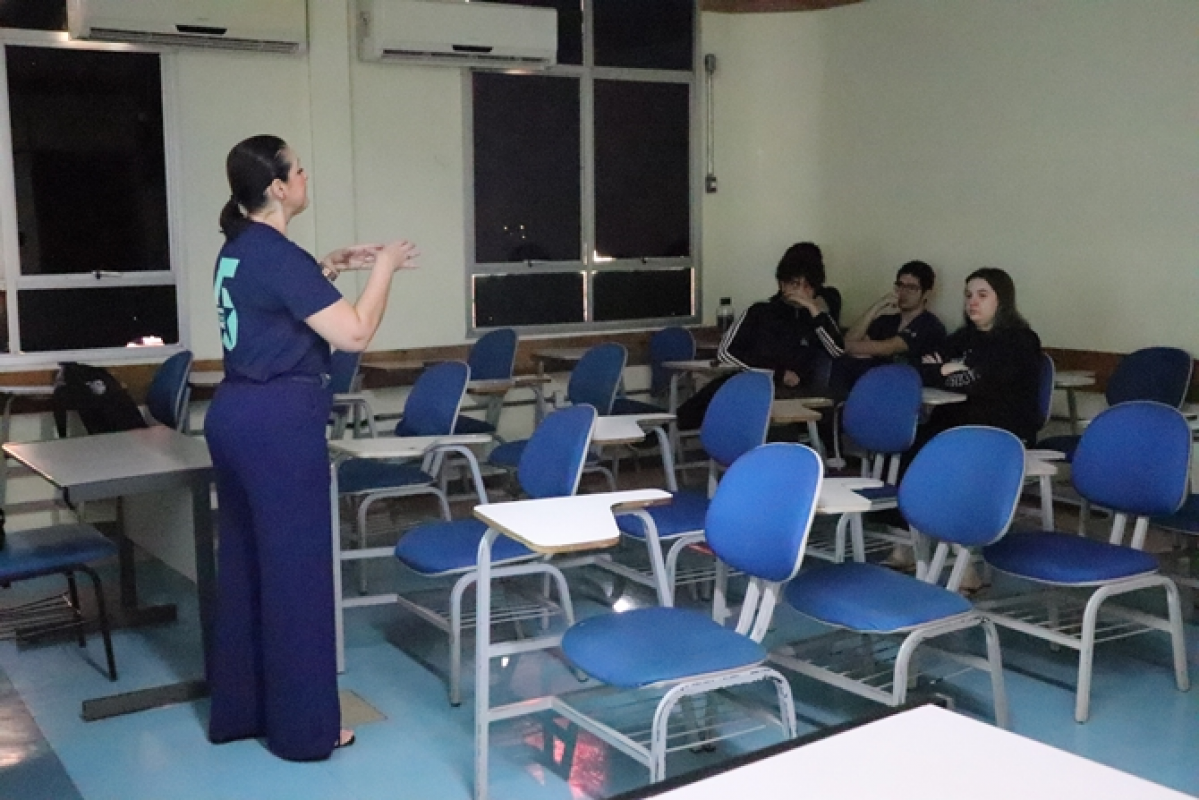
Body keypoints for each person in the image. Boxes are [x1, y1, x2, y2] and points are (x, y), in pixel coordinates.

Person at [204, 134, 418, 761]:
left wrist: (328, 267)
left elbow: (271, 308)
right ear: (277, 187)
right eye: (298, 170)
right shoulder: (276, 255)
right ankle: (305, 730)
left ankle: (242, 711)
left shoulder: (240, 248)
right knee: (297, 578)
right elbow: (354, 333)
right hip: (278, 425)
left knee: (247, 569)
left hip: (235, 416)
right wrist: (382, 269)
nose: (305, 176)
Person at [677, 242, 844, 429]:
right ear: (782, 284)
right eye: (795, 284)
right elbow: (726, 352)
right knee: (714, 395)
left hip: (795, 394)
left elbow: (837, 351)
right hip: (755, 383)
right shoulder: (760, 312)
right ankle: (665, 432)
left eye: (808, 286)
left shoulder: (818, 320)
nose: (801, 292)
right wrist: (778, 373)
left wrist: (814, 310)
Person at [918, 267, 1043, 446]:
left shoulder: (1021, 340)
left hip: (1000, 432)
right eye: (968, 296)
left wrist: (941, 372)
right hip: (955, 424)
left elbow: (979, 384)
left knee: (924, 447)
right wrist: (944, 369)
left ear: (1001, 300)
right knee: (908, 441)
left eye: (982, 295)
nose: (972, 302)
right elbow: (919, 370)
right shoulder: (963, 336)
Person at [833, 260, 946, 393]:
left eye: (911, 288)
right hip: (876, 380)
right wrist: (877, 306)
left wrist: (837, 346)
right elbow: (851, 339)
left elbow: (888, 347)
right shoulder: (887, 321)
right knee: (845, 362)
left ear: (925, 294)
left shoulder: (929, 324)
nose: (903, 292)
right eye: (900, 285)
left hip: (905, 385)